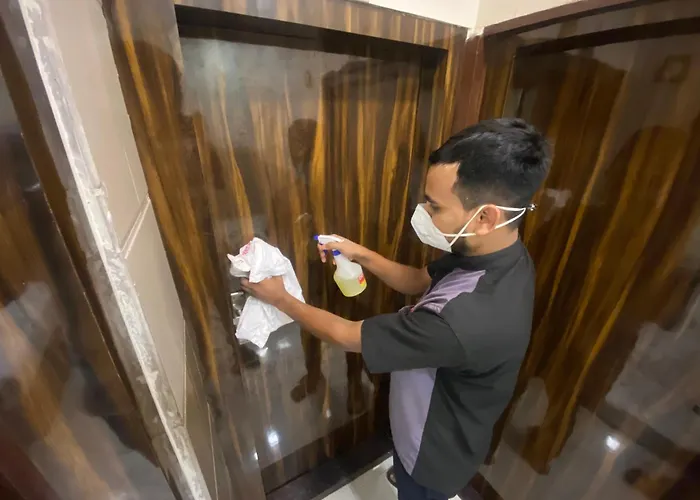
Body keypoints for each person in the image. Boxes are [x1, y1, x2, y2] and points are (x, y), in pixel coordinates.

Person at [242, 118, 551, 500]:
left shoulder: (461, 321)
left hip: (432, 459)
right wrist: (359, 253)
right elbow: (418, 280)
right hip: (447, 428)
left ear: (485, 217)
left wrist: (280, 299)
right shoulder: (498, 254)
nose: (422, 212)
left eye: (434, 206)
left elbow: (347, 335)